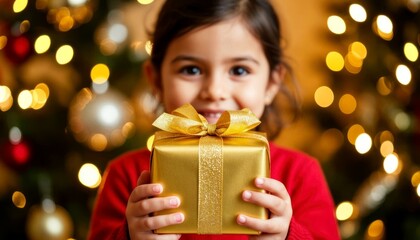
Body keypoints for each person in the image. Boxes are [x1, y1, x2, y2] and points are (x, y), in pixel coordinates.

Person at [88, 0, 341, 239]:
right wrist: (131, 236)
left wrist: (286, 235)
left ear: (272, 83)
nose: (214, 91)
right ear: (155, 80)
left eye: (239, 70)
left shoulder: (300, 175)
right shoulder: (126, 176)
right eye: (191, 69)